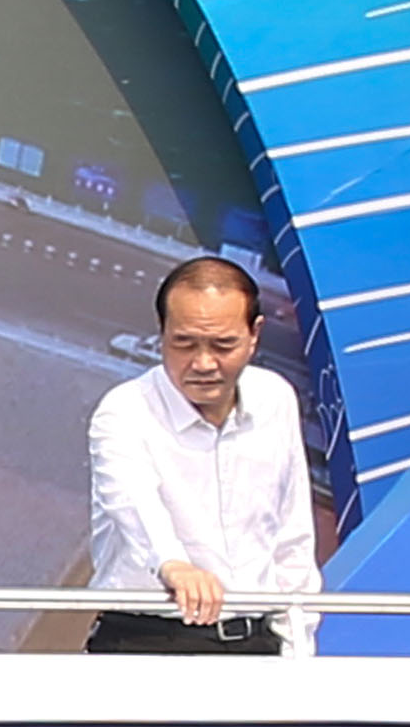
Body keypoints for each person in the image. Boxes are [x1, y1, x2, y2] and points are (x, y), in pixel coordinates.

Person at [87, 254, 315, 656]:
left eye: (223, 345)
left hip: (257, 643)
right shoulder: (125, 409)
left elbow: (291, 535)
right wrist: (173, 565)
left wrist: (298, 646)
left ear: (254, 334)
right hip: (147, 640)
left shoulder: (276, 398)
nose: (204, 363)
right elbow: (131, 502)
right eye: (184, 343)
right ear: (162, 333)